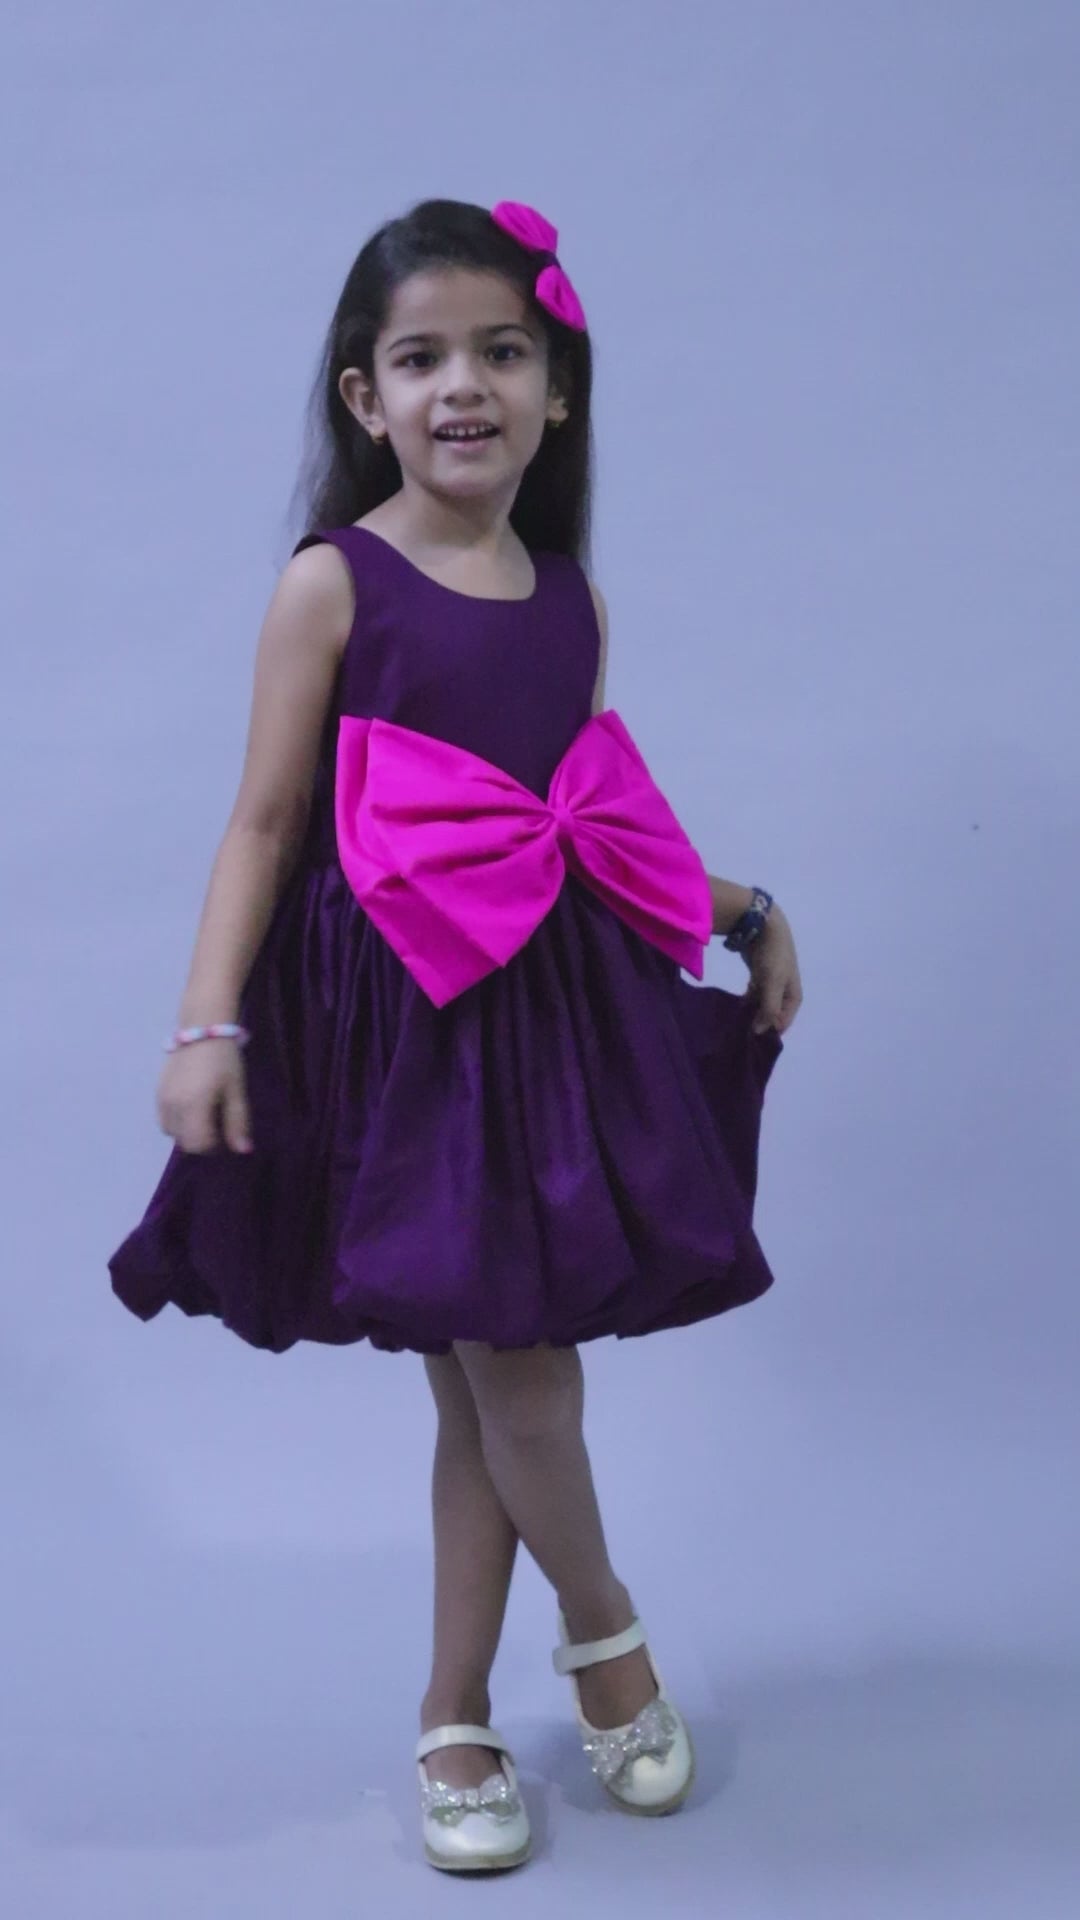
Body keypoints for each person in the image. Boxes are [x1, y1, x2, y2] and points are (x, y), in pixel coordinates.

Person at [108, 196, 802, 1874]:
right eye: (421, 359)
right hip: (403, 1033)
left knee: (484, 1385)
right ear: (368, 400)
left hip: (540, 1030)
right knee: (522, 1375)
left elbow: (588, 828)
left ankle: (452, 1712)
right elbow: (266, 821)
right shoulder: (331, 585)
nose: (464, 386)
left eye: (502, 351)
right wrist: (205, 1021)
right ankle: (608, 1636)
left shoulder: (572, 599)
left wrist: (740, 909)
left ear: (559, 388)